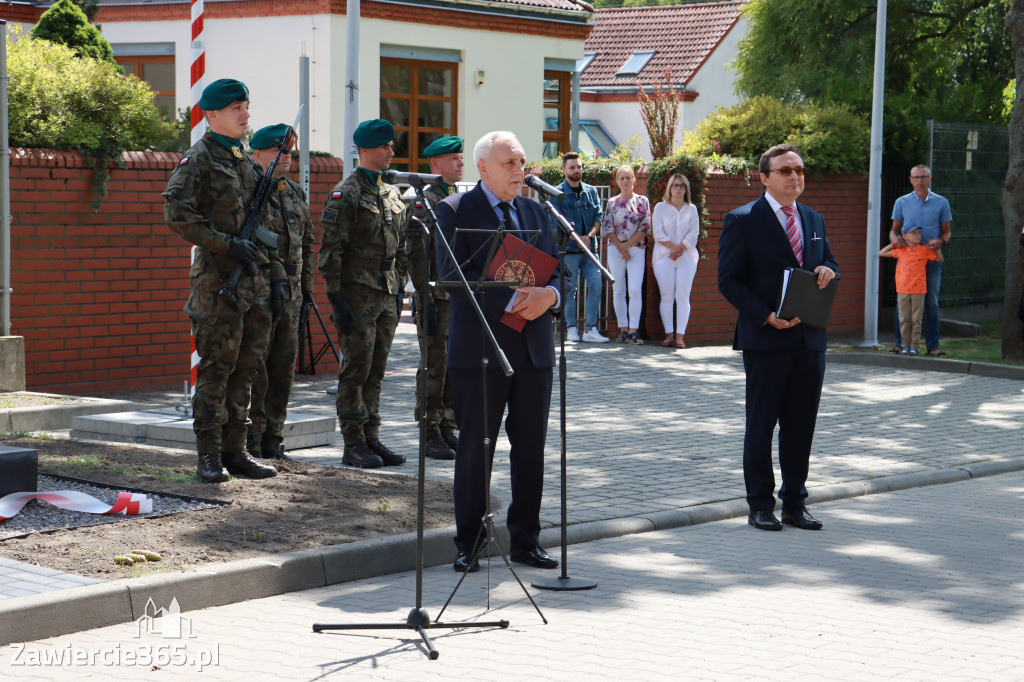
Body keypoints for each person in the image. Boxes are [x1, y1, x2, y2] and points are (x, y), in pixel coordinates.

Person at [434, 131, 564, 572]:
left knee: (530, 449)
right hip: (482, 349)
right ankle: (468, 542)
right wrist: (513, 299)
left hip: (534, 349)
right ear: (483, 168)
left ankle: (526, 539)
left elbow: (558, 271)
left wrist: (549, 297)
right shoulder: (453, 211)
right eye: (509, 163)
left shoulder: (535, 210)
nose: (519, 170)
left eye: (523, 162)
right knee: (477, 448)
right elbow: (451, 278)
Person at [717, 143, 840, 532]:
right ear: (765, 177)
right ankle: (759, 505)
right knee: (762, 423)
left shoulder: (814, 219)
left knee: (801, 424)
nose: (795, 177)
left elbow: (831, 262)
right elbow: (728, 280)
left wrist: (827, 269)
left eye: (800, 170)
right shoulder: (743, 220)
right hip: (766, 338)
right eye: (786, 170)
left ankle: (795, 503)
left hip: (809, 339)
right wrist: (765, 315)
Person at [163, 78, 278, 484]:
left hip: (253, 282)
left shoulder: (245, 158)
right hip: (218, 284)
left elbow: (264, 222)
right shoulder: (200, 159)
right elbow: (177, 213)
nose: (245, 113)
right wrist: (226, 244)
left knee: (246, 369)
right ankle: (208, 455)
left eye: (246, 105)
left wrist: (274, 277)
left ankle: (236, 450)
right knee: (217, 369)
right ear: (212, 115)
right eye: (235, 108)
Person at [319, 119, 408, 469]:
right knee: (356, 370)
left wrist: (399, 282)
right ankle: (353, 442)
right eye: (384, 146)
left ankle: (372, 437)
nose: (391, 151)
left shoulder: (390, 191)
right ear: (366, 150)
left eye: (391, 145)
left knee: (376, 371)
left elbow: (401, 246)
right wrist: (336, 298)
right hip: (357, 295)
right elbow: (330, 251)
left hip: (386, 293)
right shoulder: (347, 192)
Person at [246, 124, 316, 460]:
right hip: (259, 290)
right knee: (255, 367)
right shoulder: (249, 190)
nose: (286, 157)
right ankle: (251, 438)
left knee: (284, 368)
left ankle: (274, 438)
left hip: (291, 293)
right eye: (279, 151)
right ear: (257, 153)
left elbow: (307, 244)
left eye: (289, 151)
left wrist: (307, 292)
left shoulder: (294, 192)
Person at [406, 135, 464, 460]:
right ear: (435, 164)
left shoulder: (456, 199)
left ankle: (446, 427)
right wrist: (422, 295)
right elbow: (415, 254)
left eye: (460, 157)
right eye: (453, 158)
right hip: (433, 296)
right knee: (434, 365)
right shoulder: (424, 202)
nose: (460, 163)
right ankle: (429, 432)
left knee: (452, 364)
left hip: (455, 297)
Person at [889, 165, 952, 356]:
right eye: (916, 177)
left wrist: (941, 241)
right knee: (903, 302)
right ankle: (900, 344)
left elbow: (947, 232)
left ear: (930, 178)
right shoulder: (902, 202)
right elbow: (894, 229)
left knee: (931, 302)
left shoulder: (941, 202)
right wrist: (893, 239)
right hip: (907, 261)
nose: (920, 181)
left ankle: (933, 346)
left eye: (923, 177)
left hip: (929, 259)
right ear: (910, 180)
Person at [547, 152, 607, 343]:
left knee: (596, 285)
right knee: (568, 290)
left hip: (590, 249)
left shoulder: (591, 191)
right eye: (572, 167)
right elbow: (555, 224)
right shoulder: (557, 194)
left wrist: (588, 237)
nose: (576, 170)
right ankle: (571, 329)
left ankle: (590, 330)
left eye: (579, 167)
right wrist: (576, 239)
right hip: (569, 250)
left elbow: (598, 218)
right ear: (564, 170)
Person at [602, 165, 650, 344]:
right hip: (616, 250)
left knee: (635, 290)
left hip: (636, 249)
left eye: (628, 177)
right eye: (622, 178)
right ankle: (622, 328)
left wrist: (628, 246)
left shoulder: (642, 201)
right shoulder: (612, 202)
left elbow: (645, 226)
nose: (625, 181)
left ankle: (633, 330)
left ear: (634, 180)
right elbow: (608, 227)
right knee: (619, 290)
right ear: (617, 182)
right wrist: (621, 248)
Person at [652, 173, 699, 348]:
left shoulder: (692, 209)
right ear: (669, 188)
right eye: (675, 185)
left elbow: (693, 235)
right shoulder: (660, 207)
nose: (678, 188)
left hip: (686, 257)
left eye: (681, 185)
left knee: (683, 297)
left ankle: (680, 337)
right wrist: (672, 248)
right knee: (667, 297)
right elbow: (657, 233)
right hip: (663, 257)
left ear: (686, 189)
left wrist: (679, 250)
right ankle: (668, 335)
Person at [880, 225, 943, 356]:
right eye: (914, 233)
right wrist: (894, 244)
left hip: (919, 290)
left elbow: (939, 259)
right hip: (903, 289)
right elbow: (882, 253)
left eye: (919, 233)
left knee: (916, 319)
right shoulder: (901, 250)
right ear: (905, 237)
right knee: (904, 319)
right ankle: (904, 345)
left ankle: (914, 346)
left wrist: (936, 248)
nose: (918, 235)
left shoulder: (924, 250)